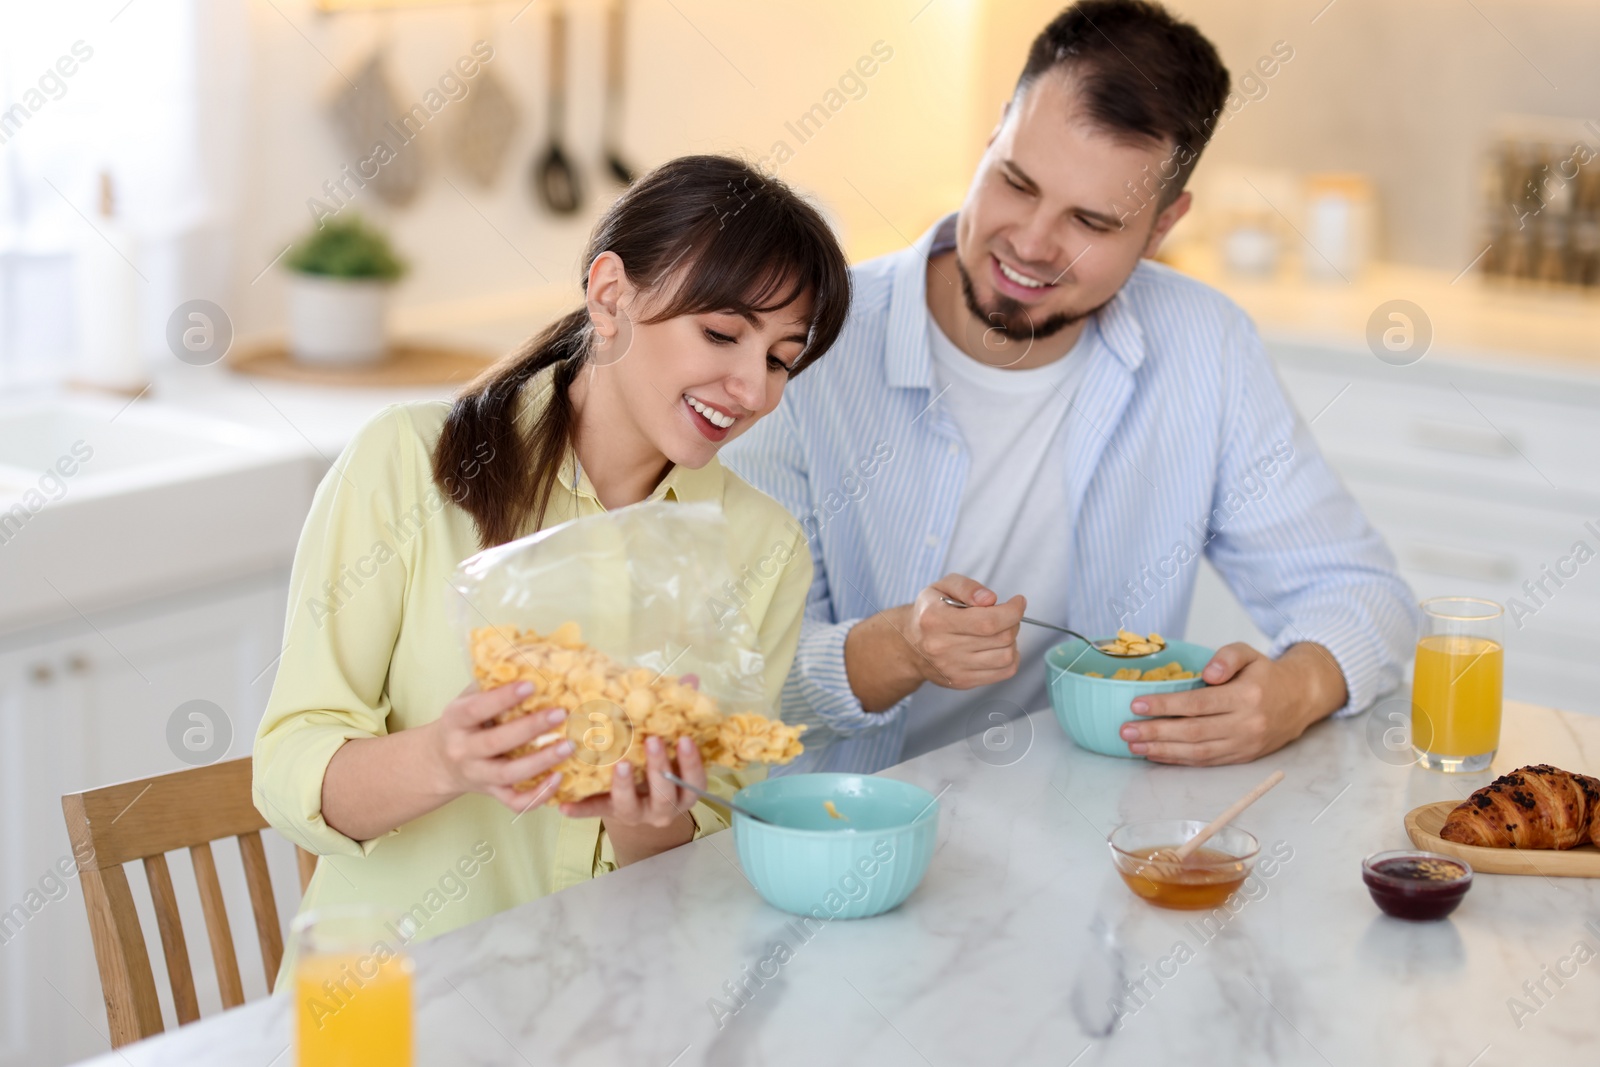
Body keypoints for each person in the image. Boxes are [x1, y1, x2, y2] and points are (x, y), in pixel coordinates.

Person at [722, 0, 1418, 772]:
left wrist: (1294, 689)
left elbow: (1363, 593)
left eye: (1091, 221)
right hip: (838, 840)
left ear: (1161, 229)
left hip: (1084, 832)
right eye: (1016, 183)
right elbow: (733, 676)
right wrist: (900, 648)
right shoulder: (806, 344)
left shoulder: (1203, 346)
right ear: (992, 139)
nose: (1030, 242)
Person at [254, 155, 850, 961]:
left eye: (782, 358)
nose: (752, 387)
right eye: (721, 334)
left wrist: (648, 819)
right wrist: (444, 756)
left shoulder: (763, 547)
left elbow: (714, 846)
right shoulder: (406, 463)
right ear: (611, 297)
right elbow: (289, 774)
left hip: (614, 1006)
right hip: (394, 1005)